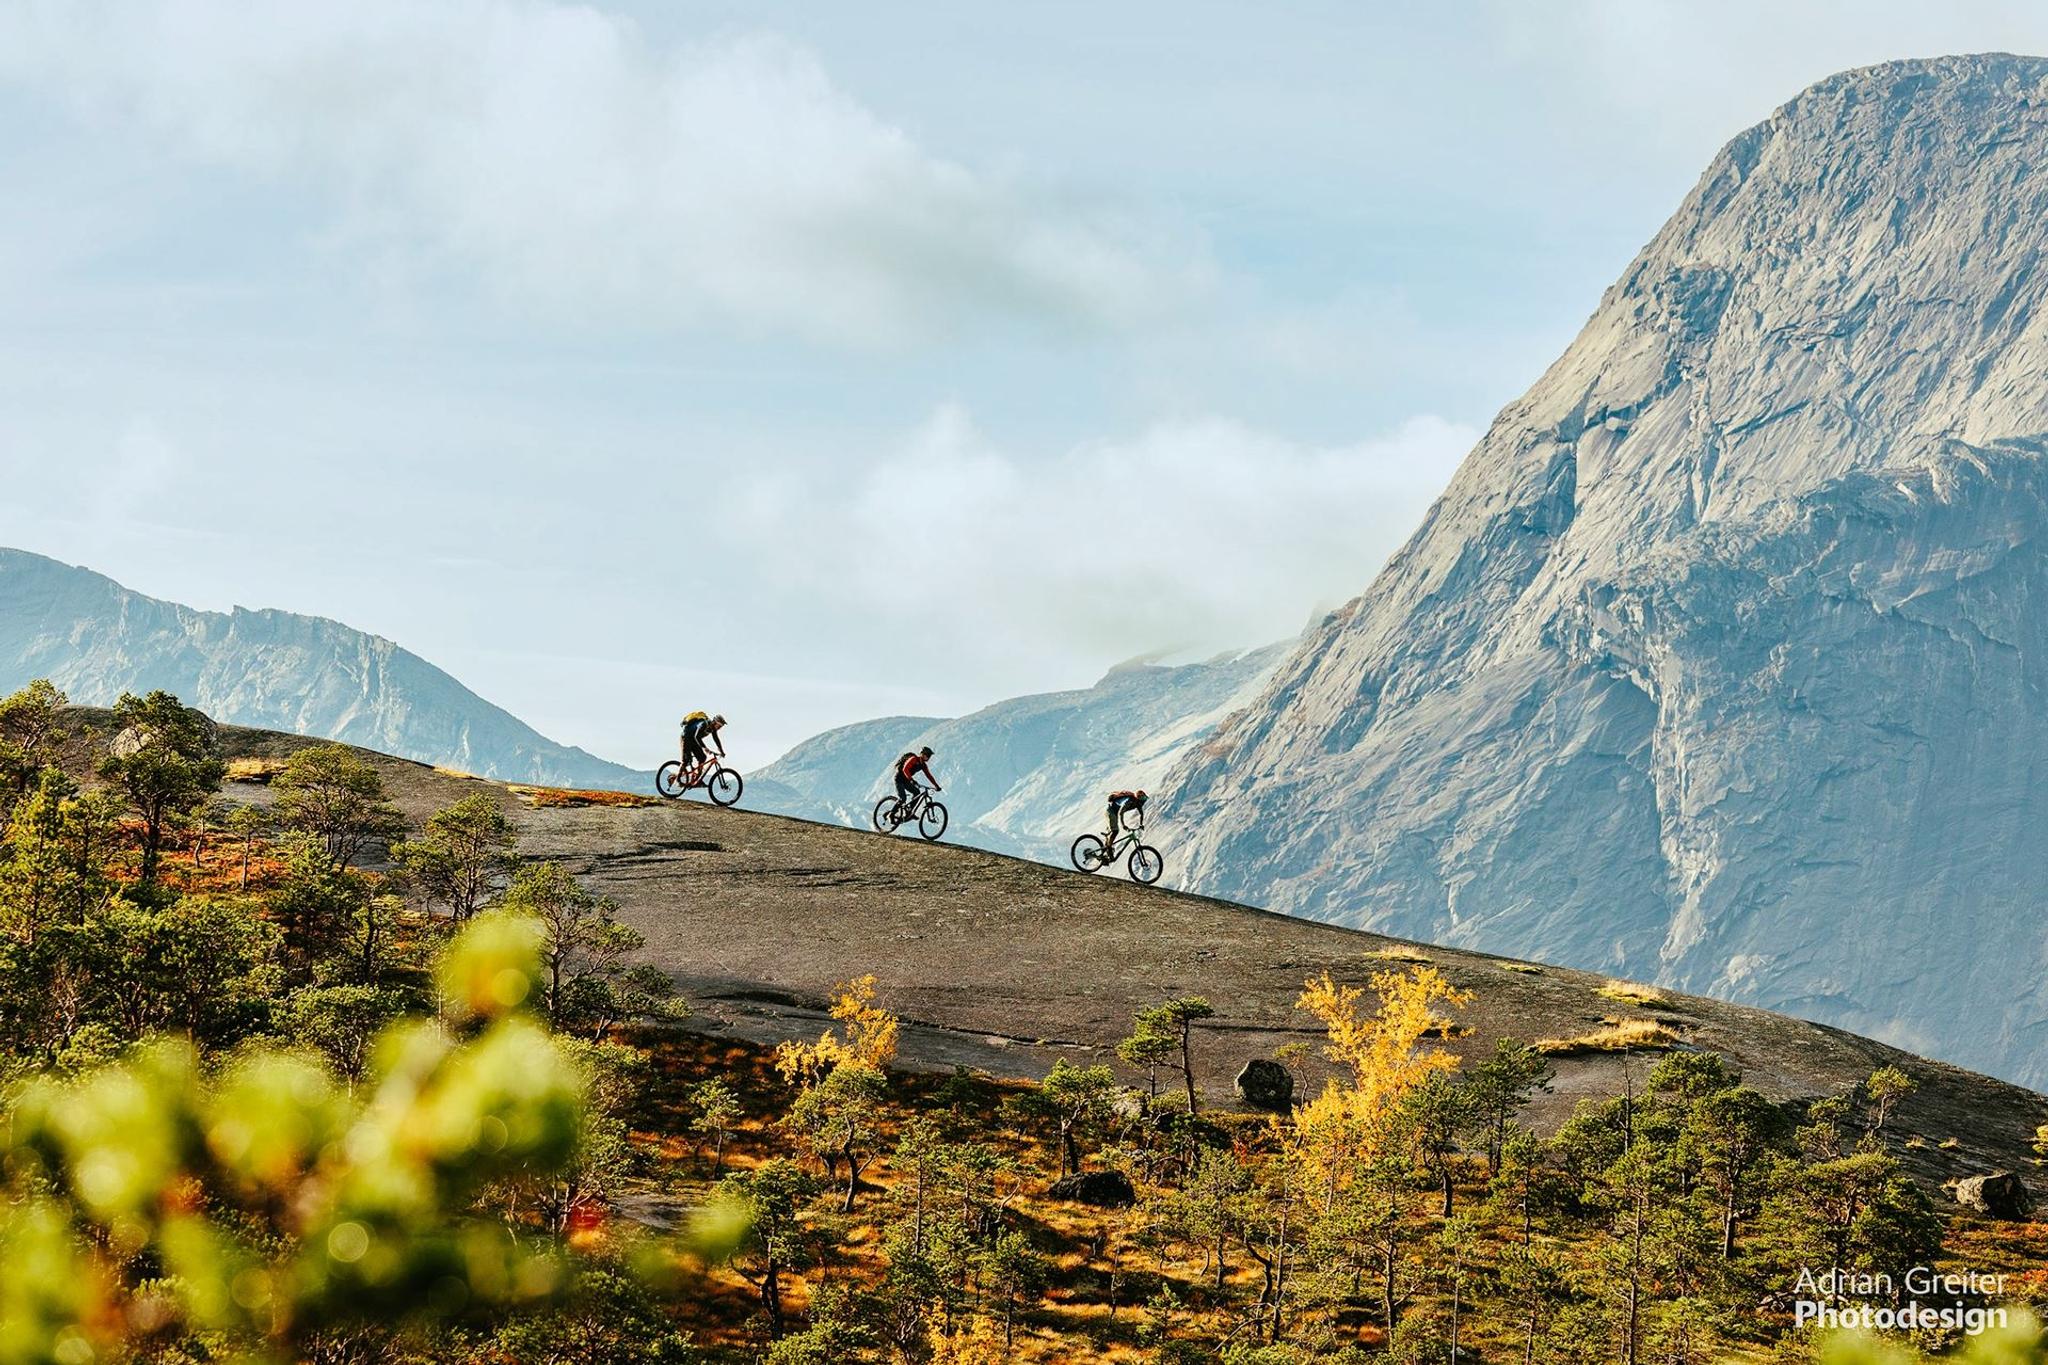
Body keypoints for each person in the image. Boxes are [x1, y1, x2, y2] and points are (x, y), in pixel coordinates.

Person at [895, 745, 940, 810]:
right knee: (903, 799)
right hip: (899, 779)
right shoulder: (913, 759)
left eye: (929, 756)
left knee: (917, 792)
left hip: (906, 780)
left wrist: (936, 786)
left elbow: (929, 776)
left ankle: (909, 811)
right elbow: (905, 769)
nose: (929, 757)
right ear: (923, 754)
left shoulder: (923, 765)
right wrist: (911, 779)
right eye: (928, 755)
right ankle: (890, 814)